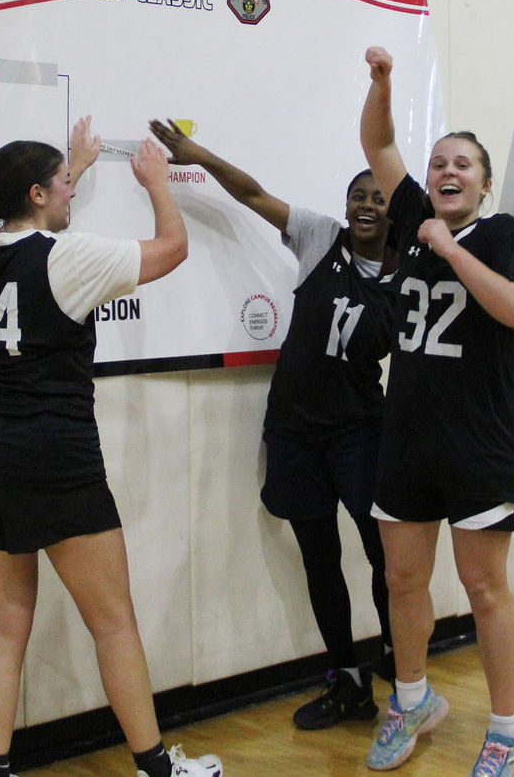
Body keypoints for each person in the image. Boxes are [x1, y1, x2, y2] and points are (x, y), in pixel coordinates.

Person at [0, 116, 222, 777]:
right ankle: (157, 769)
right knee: (114, 624)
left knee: (3, 630)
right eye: (63, 184)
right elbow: (172, 249)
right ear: (37, 195)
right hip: (55, 462)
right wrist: (157, 183)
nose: (72, 190)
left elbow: (40, 232)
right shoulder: (66, 257)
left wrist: (74, 165)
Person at [148, 118, 397, 729]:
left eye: (379, 197)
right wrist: (198, 155)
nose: (366, 205)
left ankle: (403, 664)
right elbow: (253, 194)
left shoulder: (409, 273)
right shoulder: (321, 237)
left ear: (398, 211)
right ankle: (347, 680)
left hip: (361, 431)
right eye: (358, 195)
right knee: (320, 557)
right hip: (295, 430)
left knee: (388, 557)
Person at [358, 46, 514, 776]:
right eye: (438, 164)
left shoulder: (502, 234)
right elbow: (377, 145)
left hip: (479, 442)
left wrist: (449, 249)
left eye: (463, 164)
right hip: (408, 437)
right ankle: (412, 699)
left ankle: (506, 730)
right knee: (402, 581)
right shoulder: (412, 215)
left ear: (485, 183)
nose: (447, 172)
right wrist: (383, 84)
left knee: (484, 588)